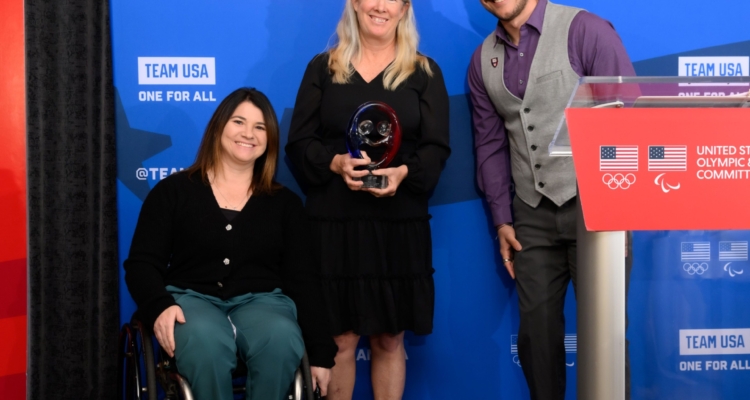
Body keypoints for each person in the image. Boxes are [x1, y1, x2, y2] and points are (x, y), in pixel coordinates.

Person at [124, 88, 337, 400]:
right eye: (239, 122)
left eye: (260, 127)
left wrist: (320, 354)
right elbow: (142, 264)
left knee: (281, 339)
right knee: (204, 343)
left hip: (263, 302)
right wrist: (159, 306)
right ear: (219, 126)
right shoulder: (173, 192)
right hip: (192, 299)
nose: (248, 134)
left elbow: (303, 280)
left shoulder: (285, 205)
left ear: (269, 140)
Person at [469, 0, 635, 399]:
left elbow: (628, 119)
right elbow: (490, 146)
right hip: (530, 216)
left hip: (596, 210)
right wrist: (502, 221)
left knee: (605, 337)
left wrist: (614, 203)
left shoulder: (586, 30)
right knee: (536, 339)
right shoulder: (481, 62)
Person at [285, 1, 450, 398]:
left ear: (405, 8)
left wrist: (405, 172)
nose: (380, 6)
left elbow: (437, 147)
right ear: (355, 5)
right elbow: (298, 144)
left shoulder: (424, 72)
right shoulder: (323, 68)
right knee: (339, 339)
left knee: (390, 338)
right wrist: (335, 162)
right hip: (334, 222)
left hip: (397, 221)